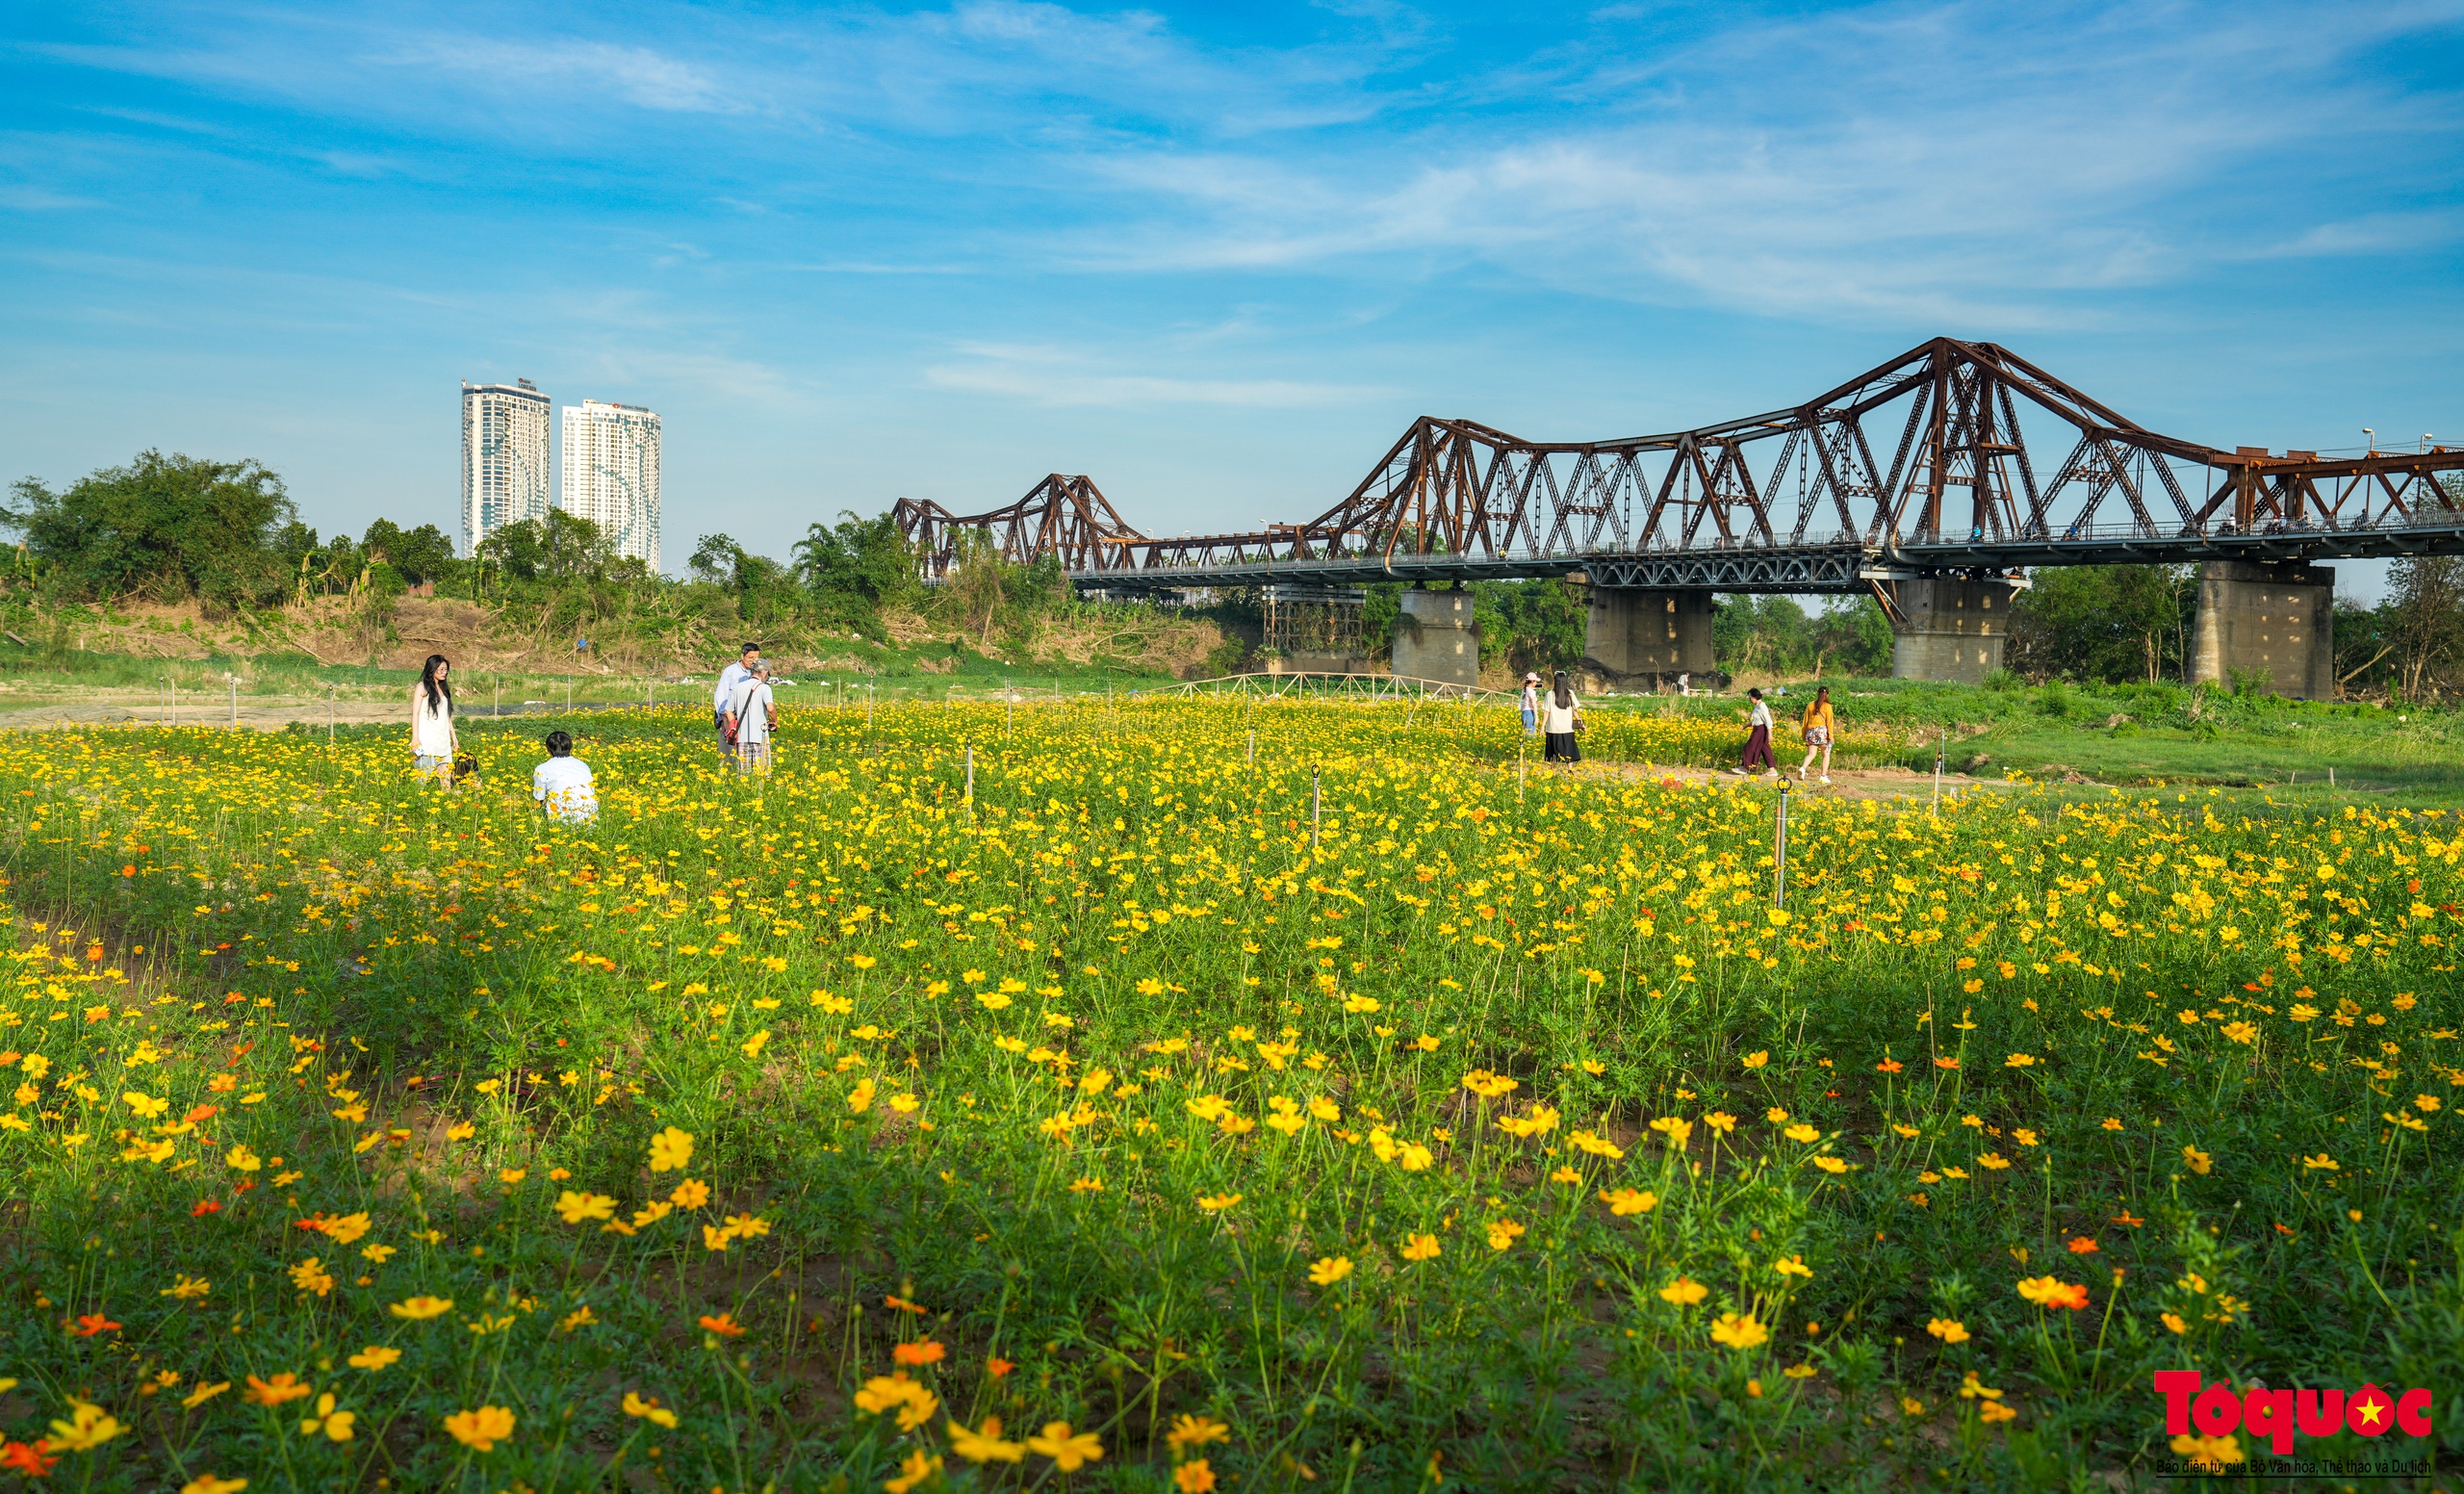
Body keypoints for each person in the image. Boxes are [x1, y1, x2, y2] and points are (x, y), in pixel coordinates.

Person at [410, 654, 458, 788]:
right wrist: (415, 738)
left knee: (446, 782)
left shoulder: (444, 688)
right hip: (427, 743)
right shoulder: (422, 687)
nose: (444, 672)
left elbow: (446, 714)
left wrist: (452, 733)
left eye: (446, 670)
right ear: (432, 669)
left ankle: (447, 806)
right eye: (441, 669)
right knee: (422, 783)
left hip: (443, 742)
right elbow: (415, 713)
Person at [531, 729, 599, 824]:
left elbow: (539, 798)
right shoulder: (583, 765)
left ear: (547, 749)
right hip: (590, 820)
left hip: (560, 823)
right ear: (571, 748)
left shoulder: (542, 769)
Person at [725, 661, 778, 776]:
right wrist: (774, 720)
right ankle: (759, 793)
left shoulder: (738, 687)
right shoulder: (764, 688)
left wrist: (734, 724)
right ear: (765, 672)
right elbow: (770, 708)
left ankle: (744, 792)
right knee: (762, 773)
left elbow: (728, 710)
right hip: (760, 737)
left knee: (744, 774)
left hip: (741, 738)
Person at [713, 642, 760, 752]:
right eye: (750, 657)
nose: (753, 661)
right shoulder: (731, 671)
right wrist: (724, 719)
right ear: (742, 656)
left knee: (746, 755)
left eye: (756, 658)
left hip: (750, 719)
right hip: (731, 718)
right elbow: (721, 696)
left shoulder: (757, 672)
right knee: (728, 754)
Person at [1797, 683, 1836, 786]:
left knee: (1811, 754)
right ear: (1827, 695)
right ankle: (1823, 776)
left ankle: (1803, 768)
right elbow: (1830, 722)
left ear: (1817, 694)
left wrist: (1803, 735)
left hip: (1811, 732)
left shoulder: (1810, 705)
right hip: (1822, 732)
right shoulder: (1828, 706)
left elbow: (1805, 721)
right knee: (1826, 754)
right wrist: (1831, 736)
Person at [1540, 670, 1582, 763]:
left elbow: (1547, 712)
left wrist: (1542, 726)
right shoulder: (1570, 693)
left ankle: (1553, 773)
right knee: (1569, 752)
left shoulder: (1550, 694)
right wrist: (1580, 723)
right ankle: (1570, 771)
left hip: (1553, 729)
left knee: (1552, 754)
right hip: (1567, 728)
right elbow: (1575, 710)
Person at [1741, 687, 1776, 778]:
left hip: (1761, 730)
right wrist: (1745, 726)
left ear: (1754, 697)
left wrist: (1770, 734)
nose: (1749, 699)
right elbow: (1755, 721)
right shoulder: (1757, 706)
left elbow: (1768, 721)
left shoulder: (1762, 706)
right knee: (1765, 749)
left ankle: (1745, 767)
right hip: (1757, 729)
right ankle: (1772, 770)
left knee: (1749, 747)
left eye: (1750, 697)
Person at [1518, 672, 1541, 737]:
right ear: (1532, 681)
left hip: (1524, 713)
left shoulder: (1524, 690)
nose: (1536, 683)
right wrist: (1537, 717)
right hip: (1530, 713)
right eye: (1535, 681)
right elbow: (1534, 704)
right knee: (1531, 734)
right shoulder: (1531, 692)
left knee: (1525, 733)